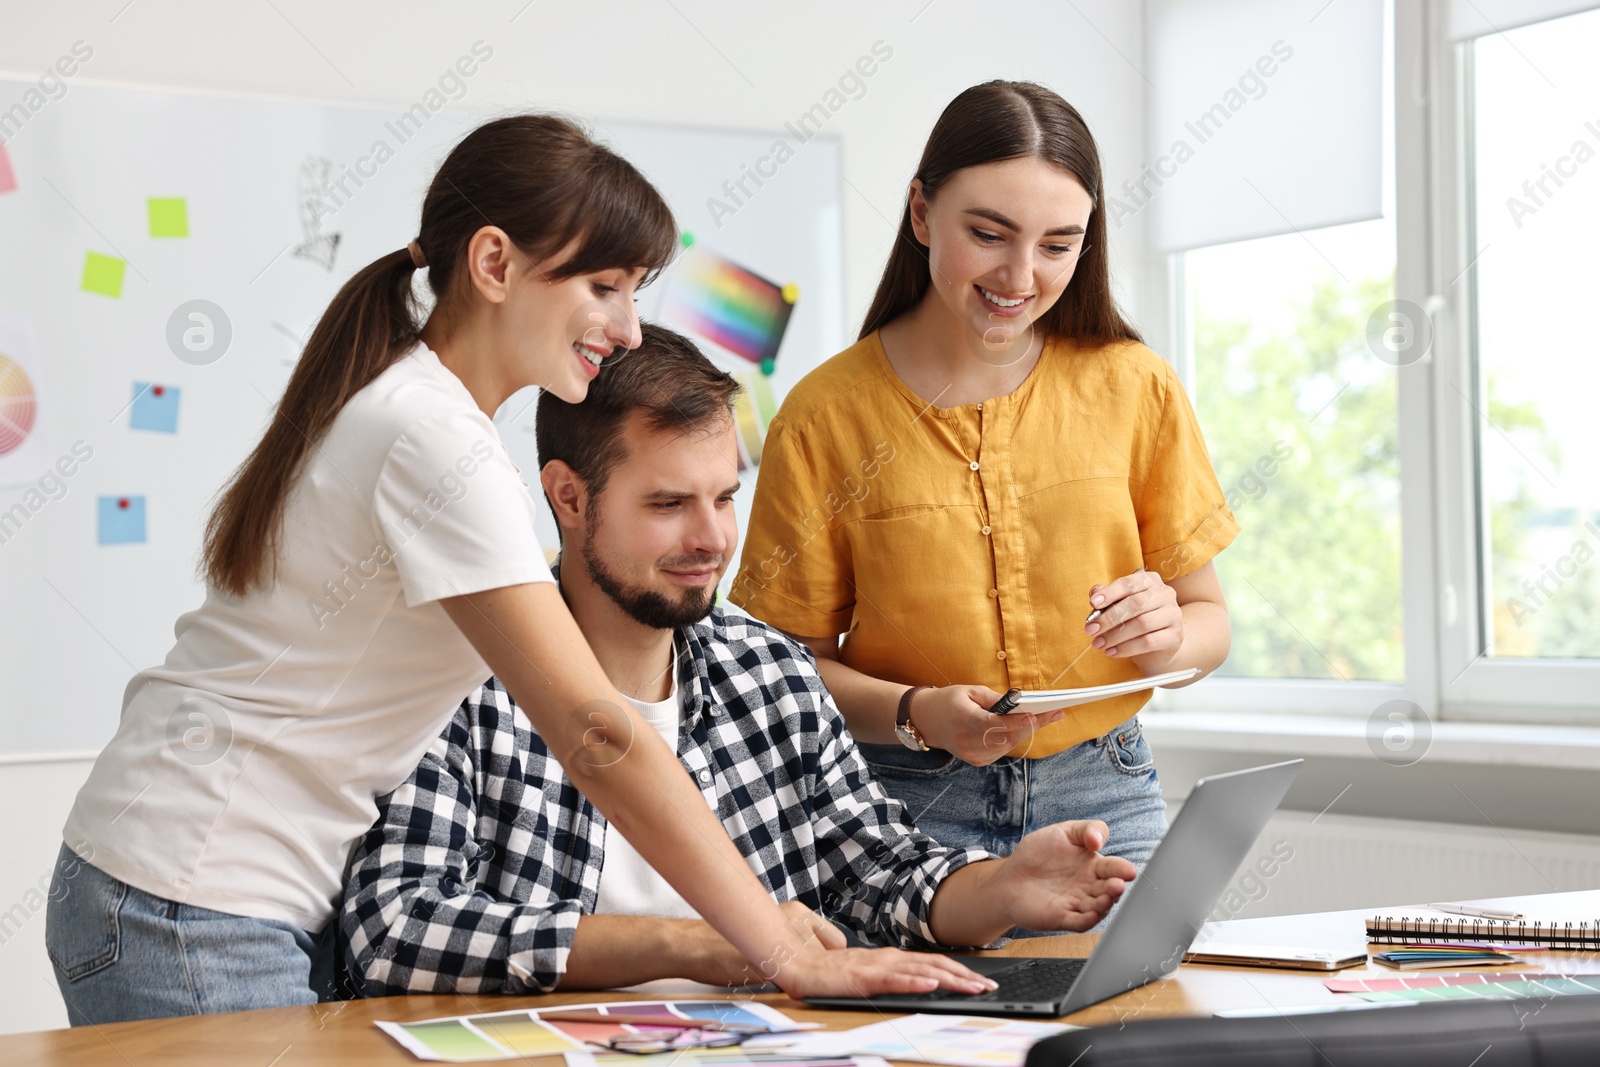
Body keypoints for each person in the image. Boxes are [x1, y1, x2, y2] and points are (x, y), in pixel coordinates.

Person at [44, 116, 989, 1026]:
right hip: (187, 891)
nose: (625, 329)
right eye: (606, 288)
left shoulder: (411, 406)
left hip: (180, 885)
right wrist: (781, 952)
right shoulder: (428, 435)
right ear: (494, 265)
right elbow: (595, 733)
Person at [340, 324, 1136, 994]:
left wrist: (1003, 888)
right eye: (668, 503)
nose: (713, 538)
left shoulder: (770, 672)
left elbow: (875, 874)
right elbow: (394, 929)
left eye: (723, 497)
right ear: (569, 497)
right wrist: (704, 942)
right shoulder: (459, 680)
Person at [729, 82, 1237, 903]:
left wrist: (1165, 639)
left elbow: (1208, 621)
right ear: (922, 214)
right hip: (898, 807)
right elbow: (786, 671)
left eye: (1058, 245)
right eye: (989, 234)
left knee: (1122, 1028)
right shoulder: (825, 416)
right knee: (916, 1034)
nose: (1020, 275)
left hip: (1105, 796)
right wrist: (917, 710)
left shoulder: (1134, 385)